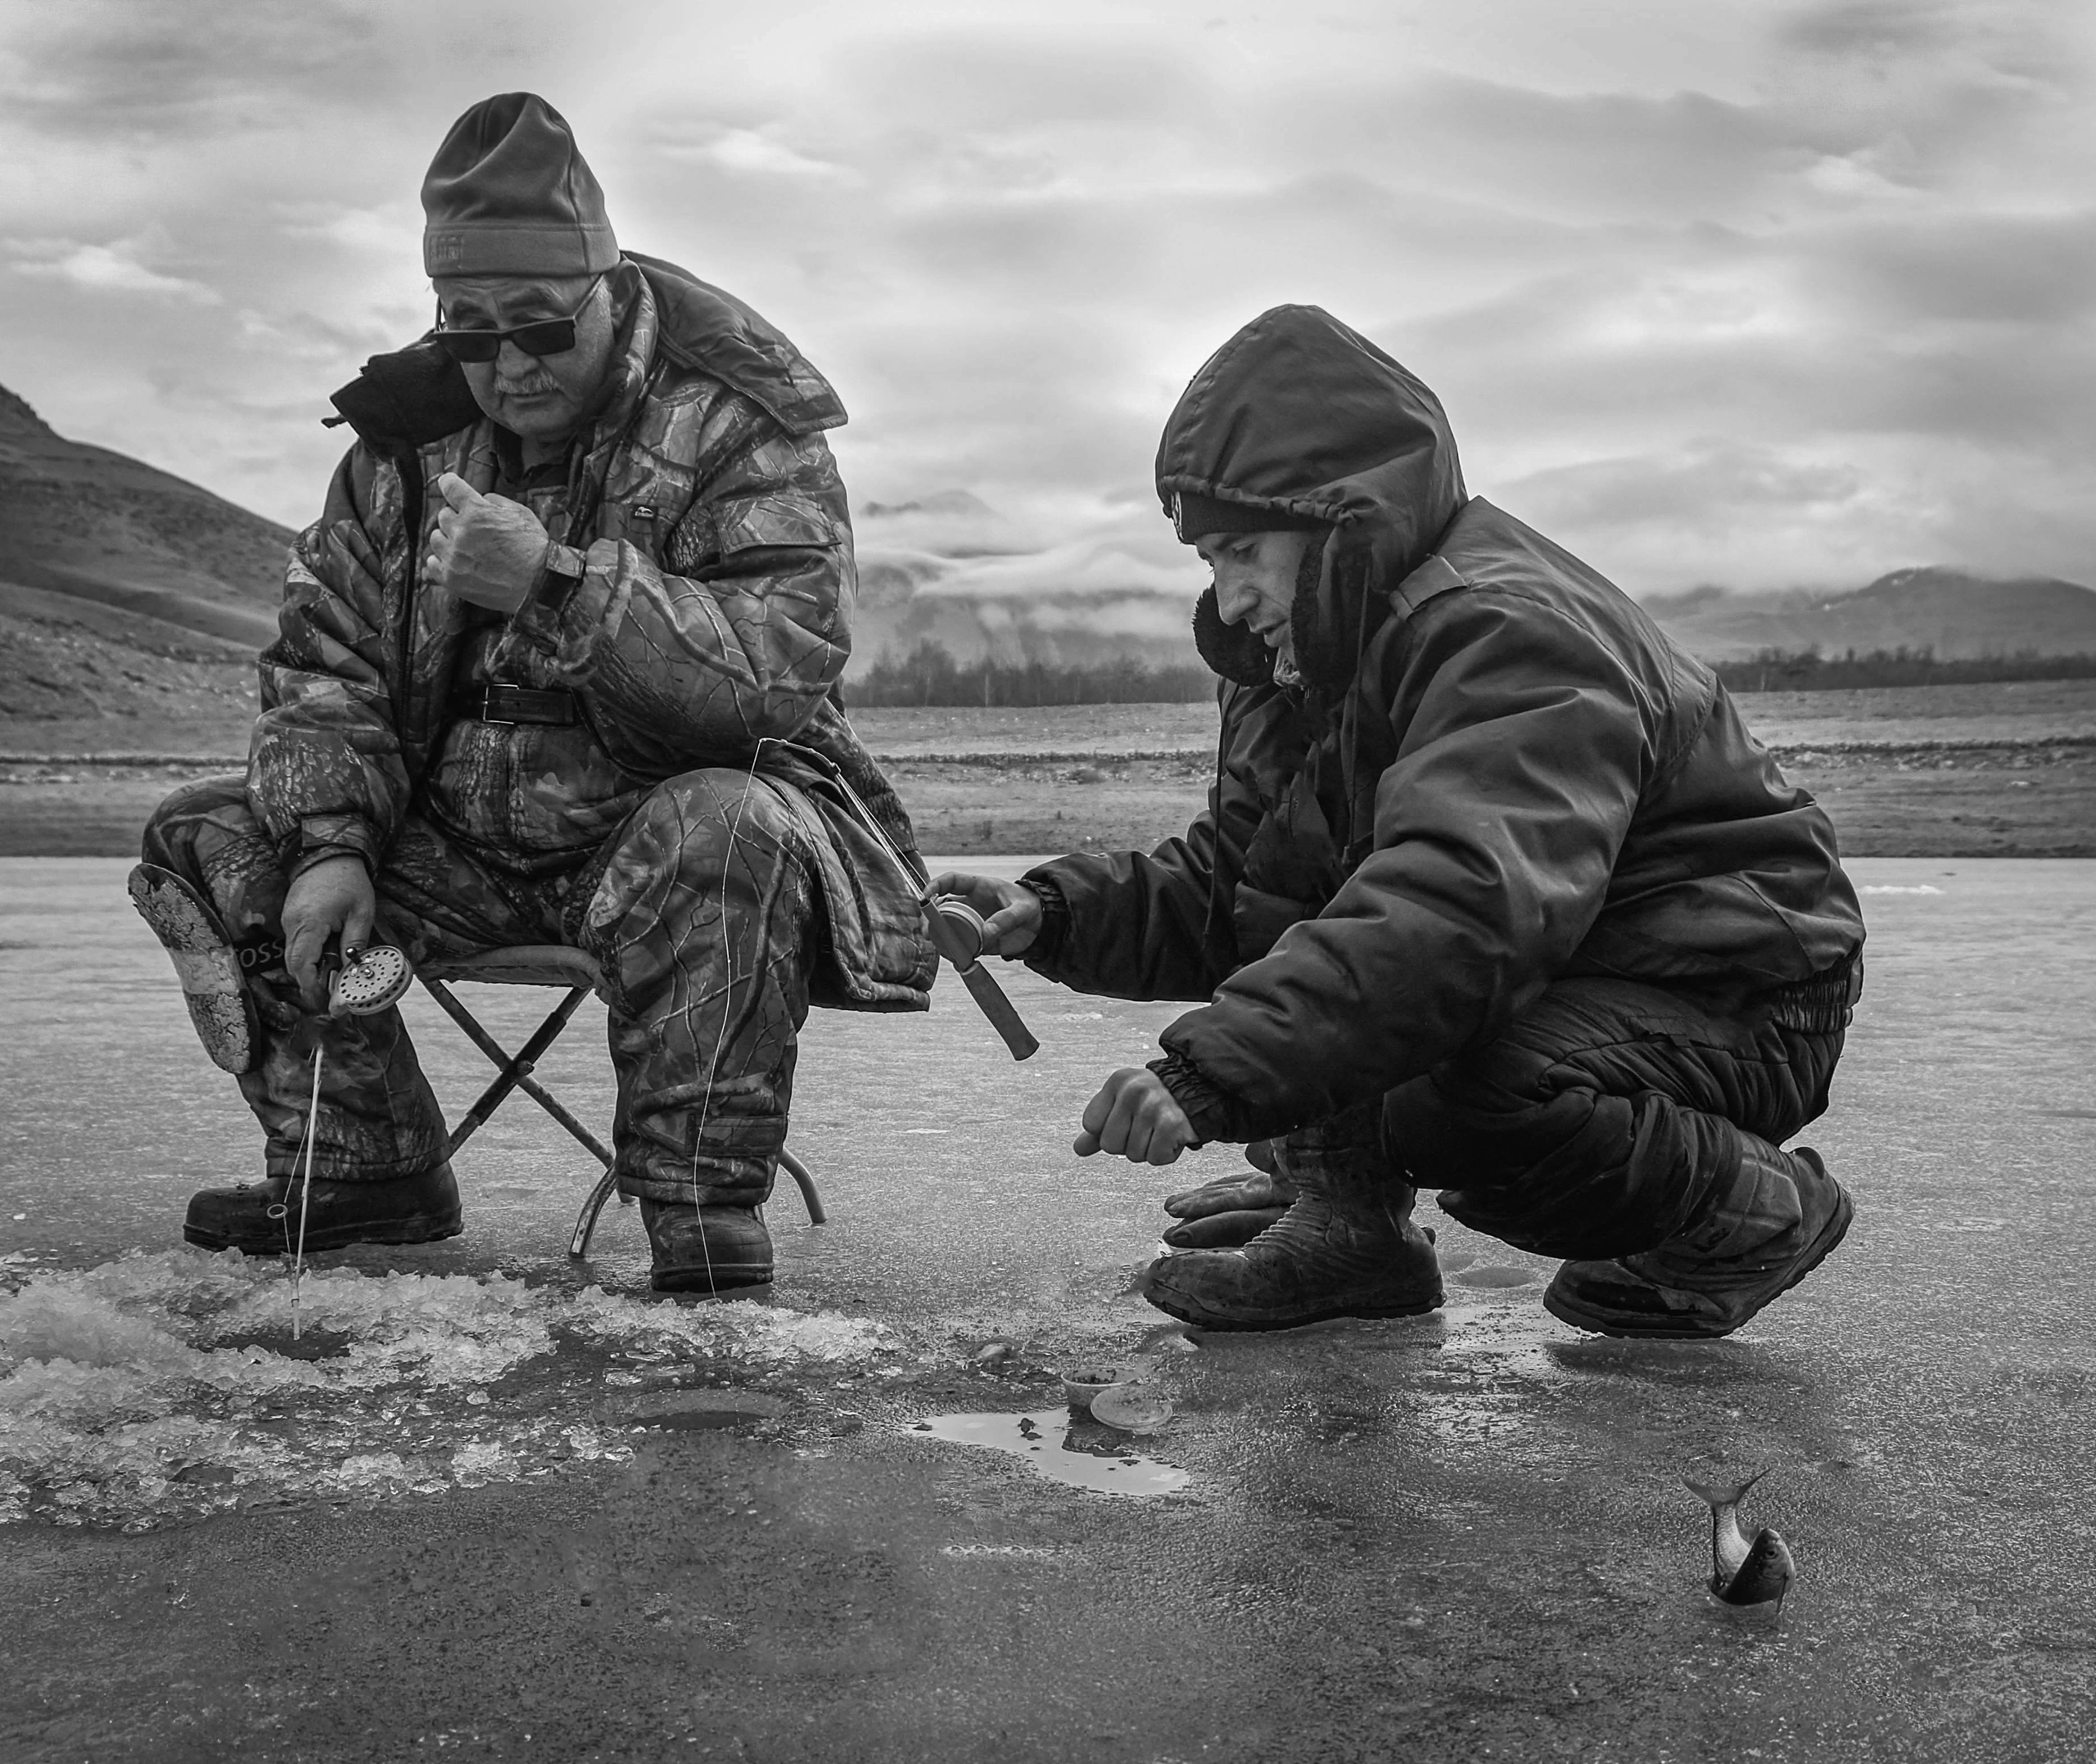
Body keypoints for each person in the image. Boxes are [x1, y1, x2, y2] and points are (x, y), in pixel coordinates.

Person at [131, 93, 933, 1293]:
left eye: (543, 330)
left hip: (661, 840)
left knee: (729, 821)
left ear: (608, 289)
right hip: (449, 841)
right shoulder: (400, 447)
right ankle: (365, 1170)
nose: (507, 367)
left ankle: (698, 1208)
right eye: (468, 332)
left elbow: (776, 675)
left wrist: (558, 585)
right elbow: (323, 662)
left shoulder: (743, 426)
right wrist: (333, 841)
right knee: (208, 833)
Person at [937, 305, 1863, 1339]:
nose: (1230, 597)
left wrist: (1214, 1077)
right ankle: (1351, 1226)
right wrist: (1049, 909)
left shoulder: (1504, 631)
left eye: (1244, 550)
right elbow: (1245, 883)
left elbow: (1461, 907)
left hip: (1738, 990)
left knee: (1460, 1095)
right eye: (1208, 563)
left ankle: (1759, 1209)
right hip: (1576, 962)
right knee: (1333, 936)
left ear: (1339, 517)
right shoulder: (1306, 661)